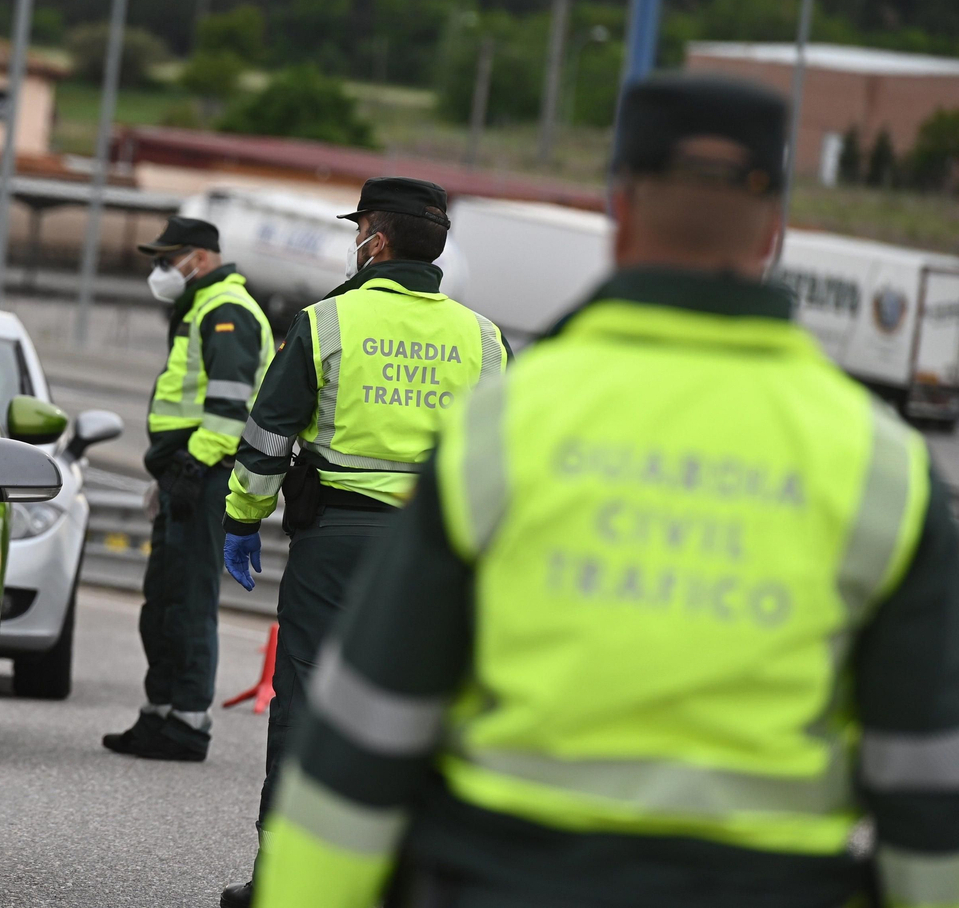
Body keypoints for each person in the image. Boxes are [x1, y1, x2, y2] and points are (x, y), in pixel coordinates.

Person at [255, 73, 959, 908]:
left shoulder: (504, 431)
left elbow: (370, 730)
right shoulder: (885, 467)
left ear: (619, 211)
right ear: (773, 231)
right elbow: (928, 788)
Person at [217, 177, 507, 908]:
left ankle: (284, 879)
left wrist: (243, 518)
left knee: (308, 702)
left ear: (376, 237)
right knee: (425, 708)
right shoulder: (484, 338)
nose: (355, 241)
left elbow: (267, 437)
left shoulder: (326, 322)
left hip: (338, 541)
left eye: (359, 228)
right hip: (437, 551)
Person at [102, 216, 274, 762]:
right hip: (186, 473)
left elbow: (228, 408)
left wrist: (191, 468)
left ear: (198, 259)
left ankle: (188, 721)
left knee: (189, 599)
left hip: (205, 474)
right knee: (164, 598)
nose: (160, 270)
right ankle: (160, 711)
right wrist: (173, 473)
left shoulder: (226, 311)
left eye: (166, 259)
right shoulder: (201, 307)